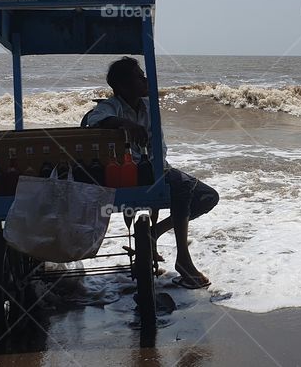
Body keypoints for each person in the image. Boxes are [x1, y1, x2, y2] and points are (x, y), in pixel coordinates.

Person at [85, 56, 219, 289]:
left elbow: (157, 145)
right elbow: (92, 120)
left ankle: (153, 233)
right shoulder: (111, 106)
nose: (145, 79)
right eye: (139, 76)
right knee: (184, 186)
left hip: (156, 167)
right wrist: (125, 124)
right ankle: (183, 260)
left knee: (208, 197)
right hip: (128, 172)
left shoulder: (148, 105)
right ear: (124, 86)